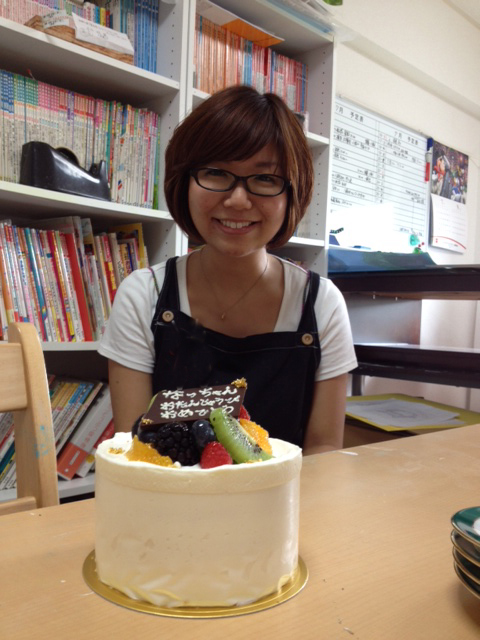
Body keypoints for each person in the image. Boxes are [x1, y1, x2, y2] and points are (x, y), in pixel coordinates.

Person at [98, 85, 357, 455]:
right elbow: (135, 452)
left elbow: (324, 447)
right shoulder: (144, 295)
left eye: (265, 178)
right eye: (216, 172)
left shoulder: (321, 303)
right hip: (167, 491)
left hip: (288, 492)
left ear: (292, 194)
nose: (238, 200)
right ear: (185, 181)